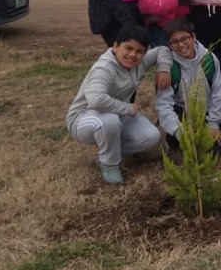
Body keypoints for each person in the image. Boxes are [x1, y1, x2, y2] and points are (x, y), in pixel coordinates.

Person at [66, 23, 172, 184]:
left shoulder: (139, 62)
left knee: (151, 137)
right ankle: (109, 163)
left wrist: (164, 69)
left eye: (139, 51)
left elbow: (162, 50)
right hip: (84, 118)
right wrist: (127, 108)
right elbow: (96, 100)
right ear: (115, 46)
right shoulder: (104, 68)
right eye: (128, 48)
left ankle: (110, 152)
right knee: (109, 122)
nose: (133, 55)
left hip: (117, 113)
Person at [155, 17, 221, 154]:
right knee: (177, 142)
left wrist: (213, 123)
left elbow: (218, 92)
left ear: (193, 37)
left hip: (205, 112)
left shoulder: (209, 59)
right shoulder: (169, 67)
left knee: (212, 151)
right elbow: (164, 104)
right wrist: (179, 132)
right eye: (175, 42)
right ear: (169, 45)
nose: (181, 45)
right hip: (182, 110)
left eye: (185, 39)